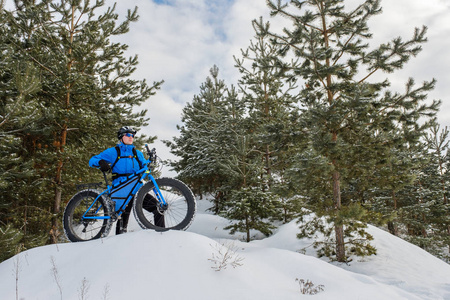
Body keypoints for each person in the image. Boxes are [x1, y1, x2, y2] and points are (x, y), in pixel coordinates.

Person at [89, 126, 164, 234]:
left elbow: (144, 167)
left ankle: (162, 235)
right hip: (121, 189)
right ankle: (120, 244)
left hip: (136, 189)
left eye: (132, 135)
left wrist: (150, 161)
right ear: (121, 137)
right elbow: (92, 160)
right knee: (122, 223)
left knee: (158, 208)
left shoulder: (137, 153)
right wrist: (100, 162)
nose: (131, 137)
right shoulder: (113, 152)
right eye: (128, 135)